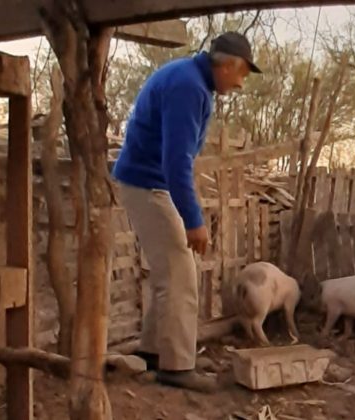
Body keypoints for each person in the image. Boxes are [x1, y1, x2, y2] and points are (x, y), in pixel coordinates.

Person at [112, 32, 261, 392]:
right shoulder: (188, 87)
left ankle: (155, 353)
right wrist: (194, 221)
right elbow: (176, 161)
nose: (241, 83)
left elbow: (177, 159)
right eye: (241, 73)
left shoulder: (189, 79)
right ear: (226, 65)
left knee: (171, 271)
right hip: (147, 183)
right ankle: (176, 367)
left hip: (146, 180)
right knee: (181, 273)